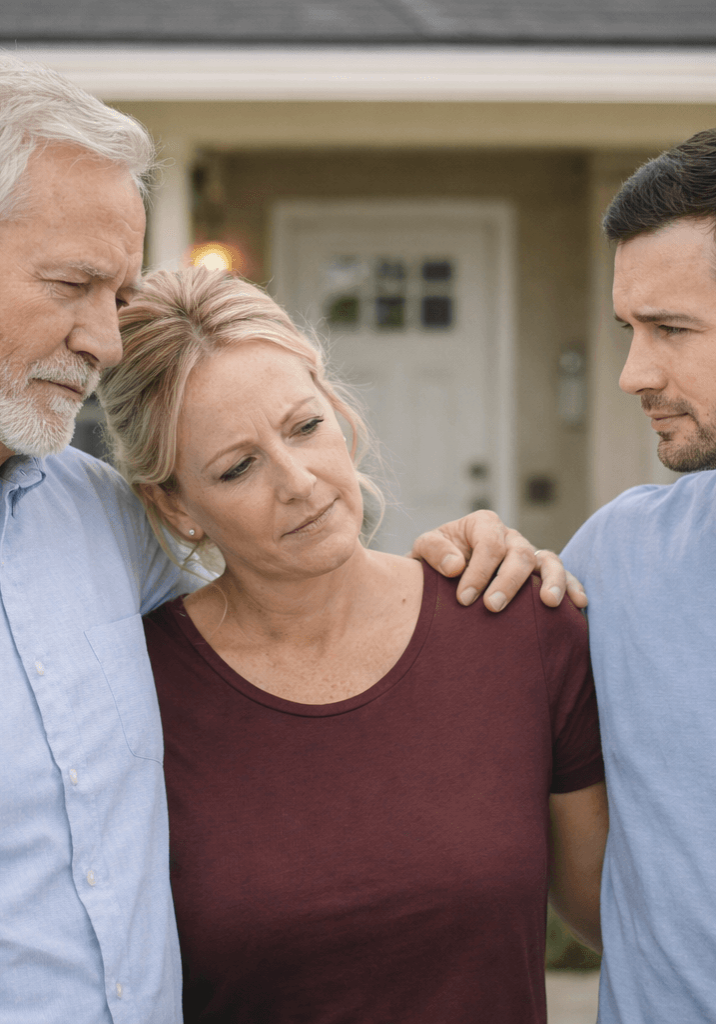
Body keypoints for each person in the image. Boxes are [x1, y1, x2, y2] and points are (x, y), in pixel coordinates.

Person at [0, 54, 582, 1022]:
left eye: (116, 294)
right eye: (71, 284)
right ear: (182, 502)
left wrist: (499, 555)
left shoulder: (94, 521)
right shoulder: (152, 575)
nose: (101, 342)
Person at [98, 265, 608, 1024]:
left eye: (305, 426)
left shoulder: (518, 625)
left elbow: (617, 917)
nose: (300, 482)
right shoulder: (128, 691)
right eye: (239, 467)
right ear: (174, 506)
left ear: (337, 408)